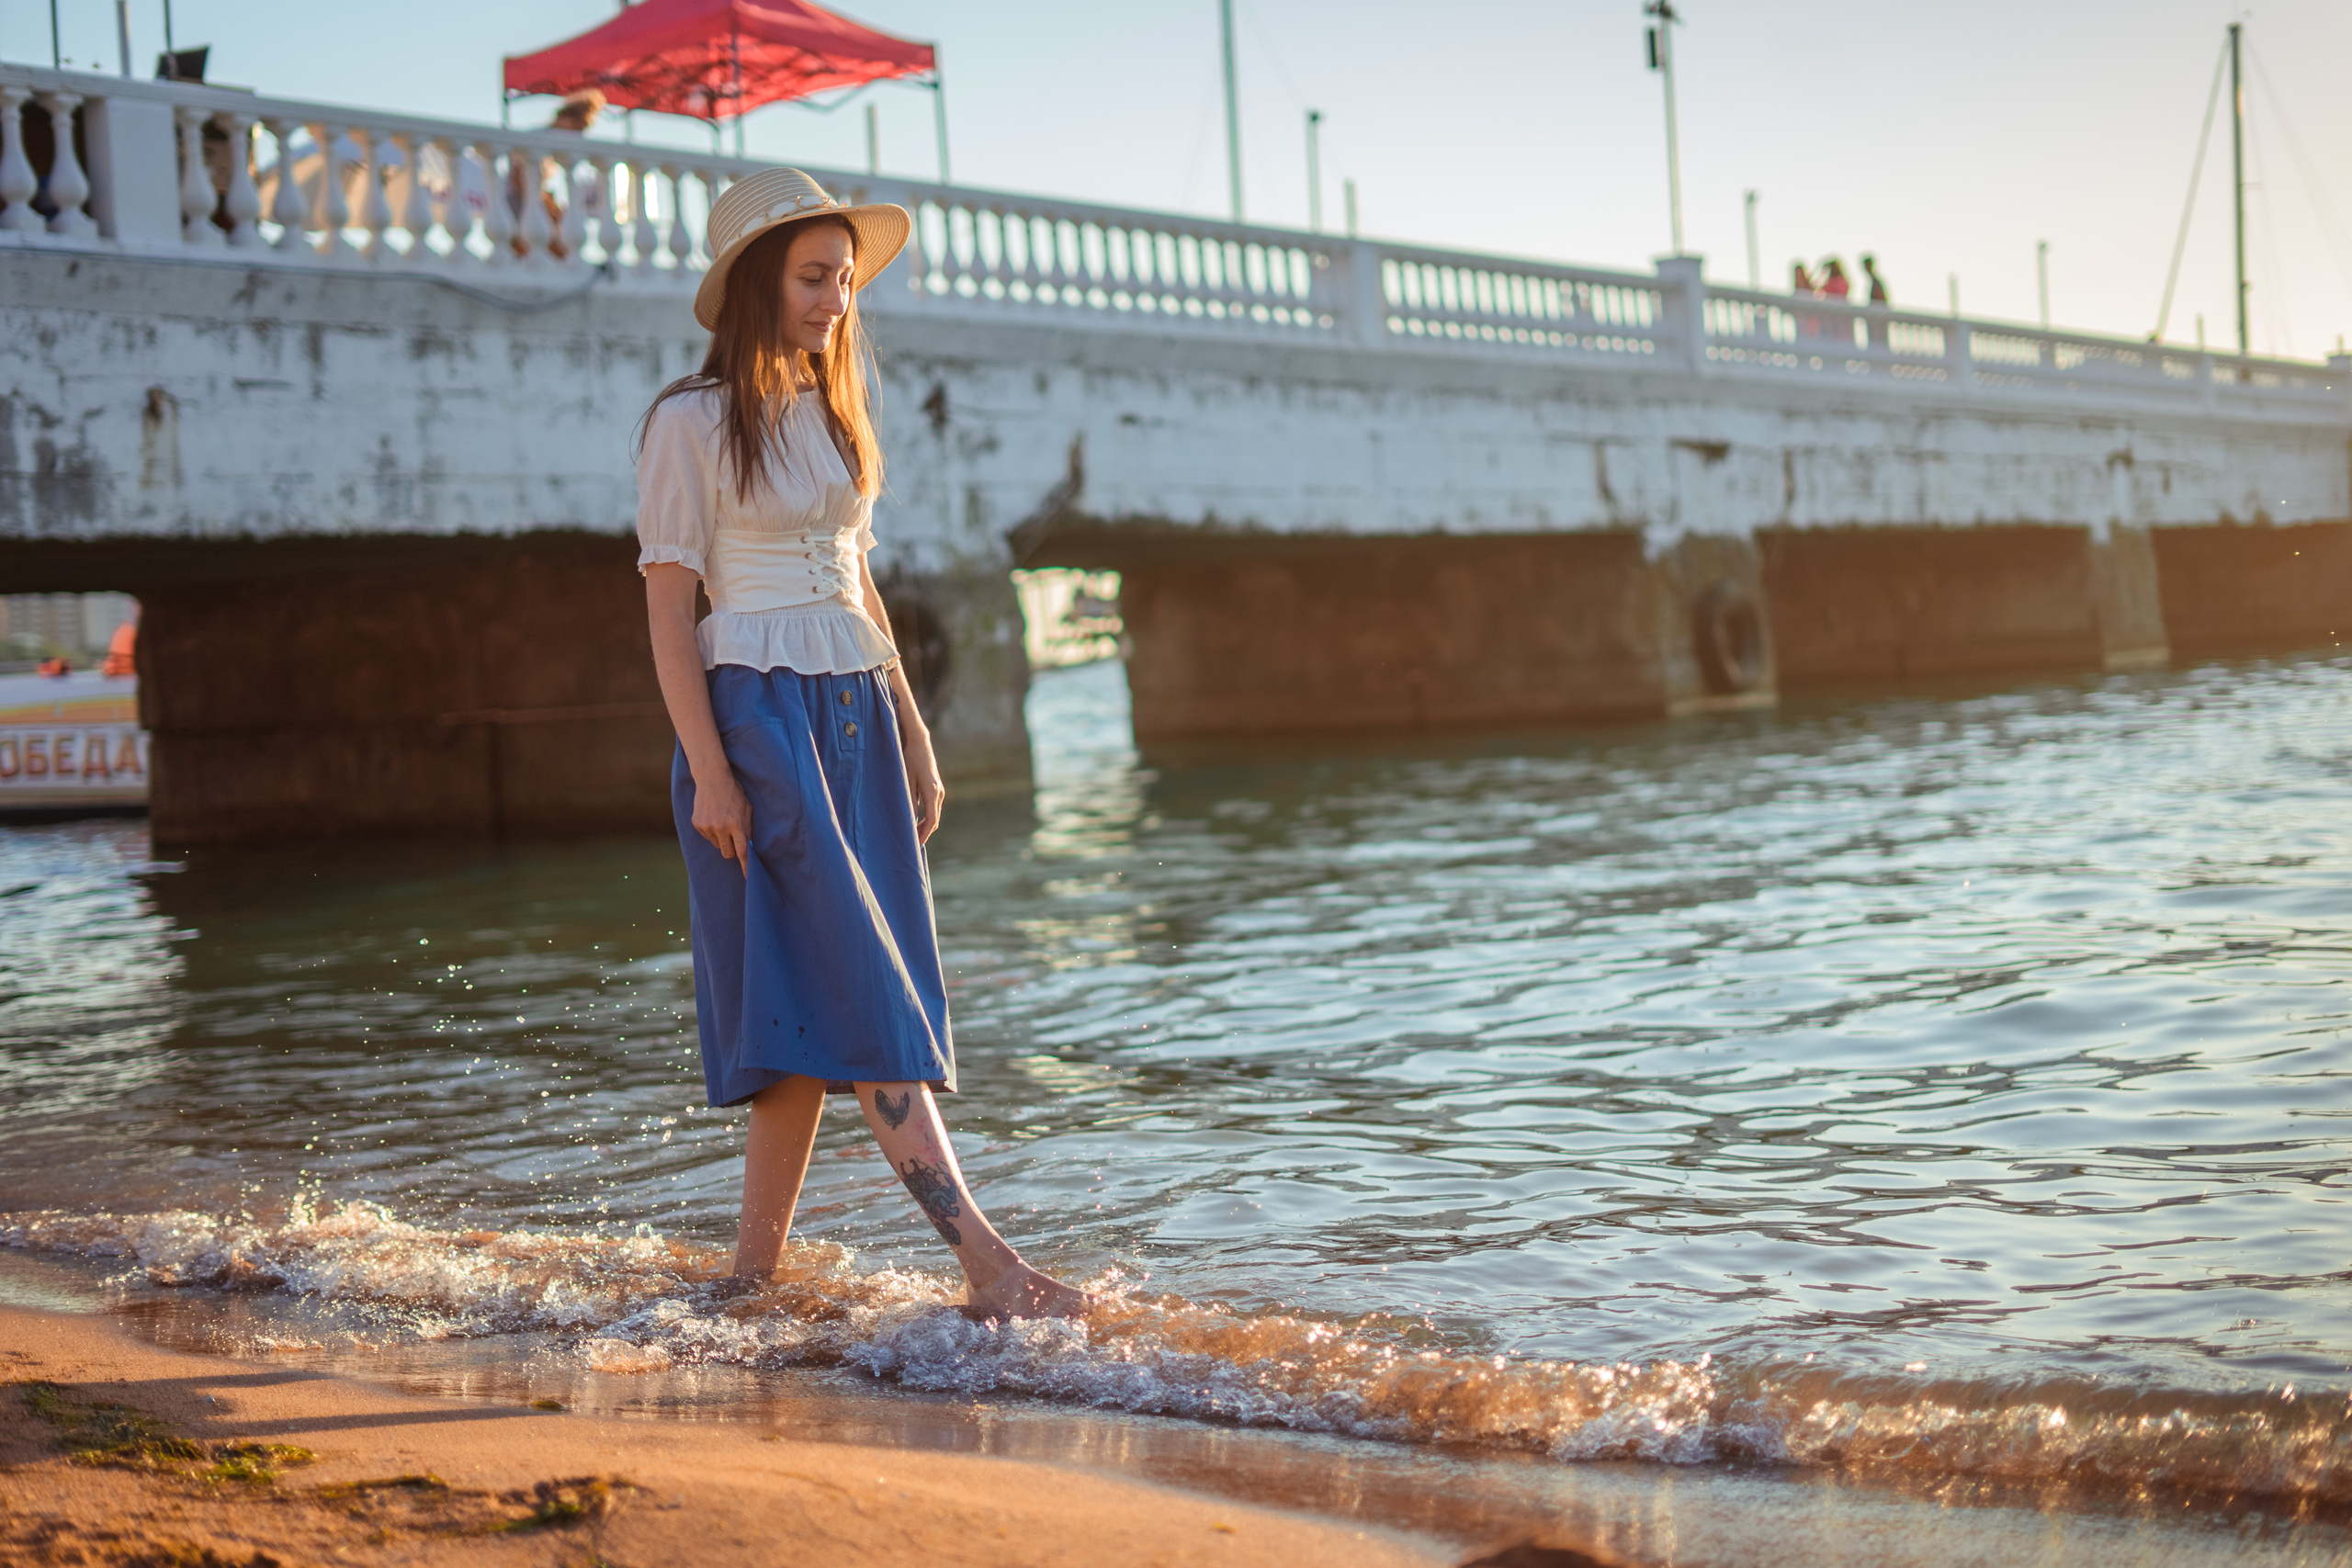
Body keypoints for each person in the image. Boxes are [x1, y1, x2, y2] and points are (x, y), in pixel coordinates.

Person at [635, 168, 1090, 1320]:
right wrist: (716, 776)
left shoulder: (834, 418)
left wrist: (915, 728)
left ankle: (750, 1278)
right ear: (754, 282)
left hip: (854, 716)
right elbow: (669, 613)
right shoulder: (687, 423)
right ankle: (988, 1264)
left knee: (800, 1020)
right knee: (865, 987)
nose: (836, 298)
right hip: (759, 719)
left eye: (844, 278)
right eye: (812, 276)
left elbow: (858, 586)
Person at [1860, 254, 1890, 355]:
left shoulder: (1876, 282)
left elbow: (1881, 299)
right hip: (1876, 320)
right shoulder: (1874, 281)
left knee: (1880, 344)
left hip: (1878, 320)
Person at [1819, 257, 1852, 347]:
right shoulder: (1829, 282)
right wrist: (1822, 272)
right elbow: (1815, 288)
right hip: (1831, 318)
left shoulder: (1842, 281)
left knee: (1843, 343)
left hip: (1841, 318)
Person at [1791, 260, 1818, 339]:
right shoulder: (1796, 287)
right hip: (1800, 317)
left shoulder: (1808, 285)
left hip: (1810, 317)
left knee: (1811, 335)